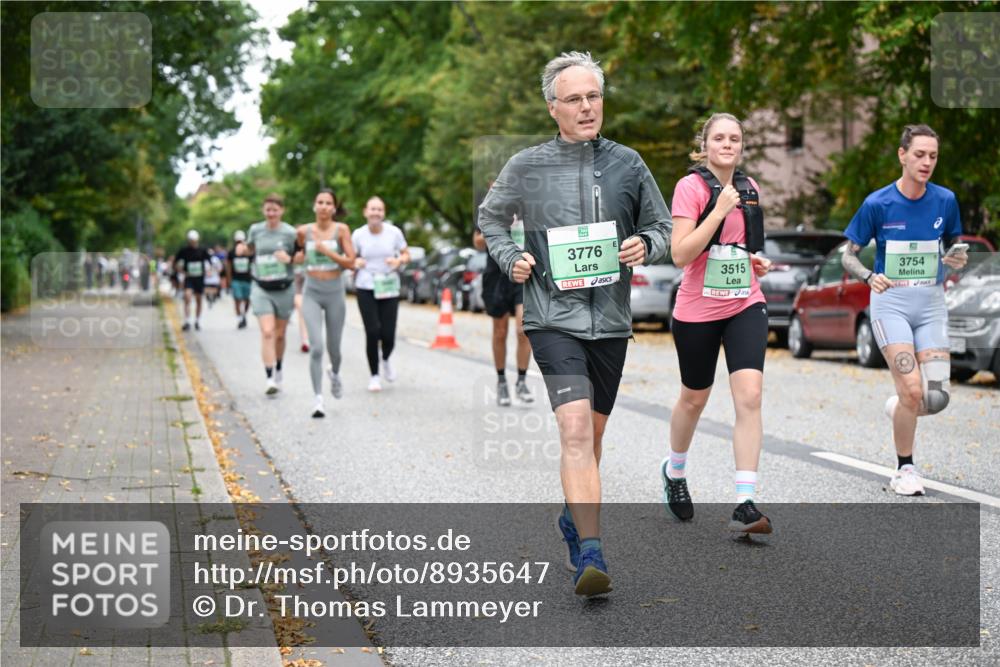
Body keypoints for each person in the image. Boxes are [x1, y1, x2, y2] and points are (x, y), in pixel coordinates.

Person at [478, 51, 671, 597]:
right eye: (575, 99)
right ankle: (592, 552)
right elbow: (491, 218)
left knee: (596, 434)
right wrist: (508, 255)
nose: (587, 107)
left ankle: (572, 517)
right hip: (551, 318)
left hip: (610, 321)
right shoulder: (527, 166)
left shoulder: (629, 164)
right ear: (552, 108)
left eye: (594, 96)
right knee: (576, 430)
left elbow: (661, 226)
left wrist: (646, 245)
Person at [662, 113, 774, 535]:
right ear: (705, 144)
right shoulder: (689, 188)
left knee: (750, 395)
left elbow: (744, 249)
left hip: (745, 301)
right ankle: (675, 473)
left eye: (735, 138)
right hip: (697, 309)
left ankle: (745, 502)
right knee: (694, 397)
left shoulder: (750, 188)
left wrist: (755, 261)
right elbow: (680, 254)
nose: (728, 144)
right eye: (720, 138)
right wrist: (718, 210)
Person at [841, 124, 966, 496]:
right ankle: (904, 468)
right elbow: (848, 255)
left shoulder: (945, 200)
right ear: (902, 155)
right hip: (891, 307)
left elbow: (955, 247)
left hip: (930, 306)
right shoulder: (878, 203)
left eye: (933, 156)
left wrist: (956, 259)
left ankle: (900, 407)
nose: (927, 162)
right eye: (919, 154)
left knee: (936, 397)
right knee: (913, 388)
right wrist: (868, 276)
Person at [236, 194, 303, 395]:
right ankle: (269, 377)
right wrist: (242, 250)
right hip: (261, 287)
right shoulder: (256, 230)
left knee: (280, 335)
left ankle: (279, 367)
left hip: (284, 288)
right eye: (268, 210)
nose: (271, 213)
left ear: (281, 211)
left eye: (275, 210)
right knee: (267, 331)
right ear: (263, 211)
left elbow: (301, 256)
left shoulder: (290, 233)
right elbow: (250, 249)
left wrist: (289, 258)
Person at [298, 189, 356, 417]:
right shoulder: (303, 232)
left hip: (334, 292)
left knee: (334, 349)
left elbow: (351, 263)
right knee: (316, 348)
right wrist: (289, 257)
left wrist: (327, 252)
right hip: (311, 291)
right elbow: (296, 255)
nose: (323, 206)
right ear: (314, 206)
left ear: (333, 208)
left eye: (328, 203)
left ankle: (335, 373)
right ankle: (318, 399)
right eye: (319, 202)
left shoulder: (341, 230)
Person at [473, 217, 534, 406]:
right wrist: (496, 229)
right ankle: (501, 382)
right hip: (497, 276)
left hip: (523, 273)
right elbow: (477, 242)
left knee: (523, 329)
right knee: (500, 332)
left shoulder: (529, 207)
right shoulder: (491, 210)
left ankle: (522, 382)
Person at [352, 196, 410, 392]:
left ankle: (385, 358)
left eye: (379, 209)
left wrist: (399, 261)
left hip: (388, 285)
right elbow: (350, 258)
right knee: (372, 331)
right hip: (366, 285)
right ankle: (374, 375)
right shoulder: (358, 234)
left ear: (383, 213)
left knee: (388, 333)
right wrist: (356, 262)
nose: (375, 213)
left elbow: (406, 254)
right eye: (372, 209)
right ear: (365, 212)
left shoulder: (394, 233)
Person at [174, 230, 213, 331]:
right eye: (191, 240)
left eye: (194, 241)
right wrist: (181, 271)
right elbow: (176, 262)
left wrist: (209, 271)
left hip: (199, 278)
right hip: (189, 277)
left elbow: (210, 262)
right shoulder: (184, 251)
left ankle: (197, 320)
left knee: (199, 299)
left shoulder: (203, 250)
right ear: (188, 240)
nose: (193, 242)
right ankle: (187, 321)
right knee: (187, 296)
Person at [229, 230, 253, 329]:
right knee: (237, 299)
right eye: (238, 241)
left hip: (247, 279)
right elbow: (228, 265)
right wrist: (229, 279)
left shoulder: (248, 252)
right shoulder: (231, 252)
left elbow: (253, 265)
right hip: (236, 279)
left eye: (241, 241)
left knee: (247, 300)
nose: (239, 243)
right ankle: (240, 319)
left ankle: (244, 315)